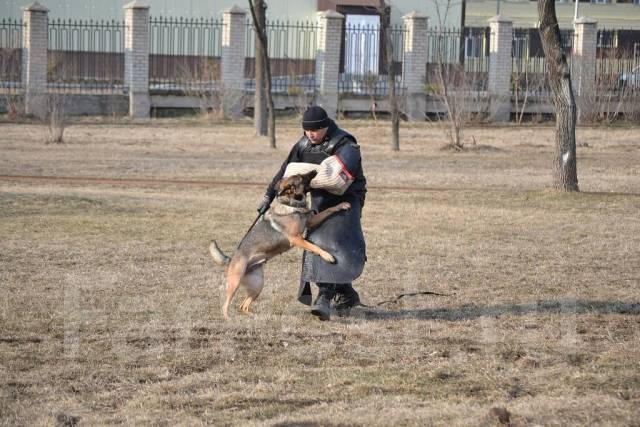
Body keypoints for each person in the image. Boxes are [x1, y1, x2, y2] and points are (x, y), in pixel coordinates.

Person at [258, 106, 367, 321]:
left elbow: (342, 176)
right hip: (319, 200)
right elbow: (284, 173)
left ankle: (324, 298)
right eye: (307, 131)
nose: (310, 134)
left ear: (326, 126)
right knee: (319, 241)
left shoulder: (345, 143)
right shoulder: (303, 144)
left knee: (329, 240)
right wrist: (267, 197)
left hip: (347, 199)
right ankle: (346, 294)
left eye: (315, 130)